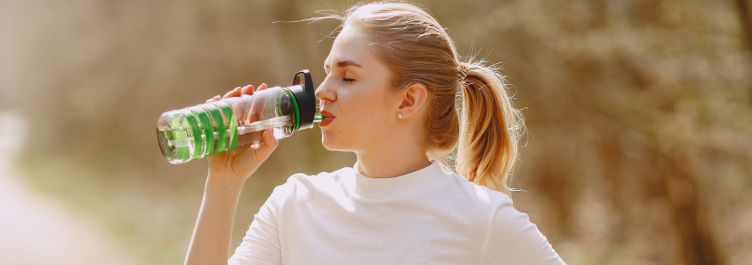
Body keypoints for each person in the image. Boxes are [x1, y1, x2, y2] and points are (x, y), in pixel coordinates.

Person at [184, 2, 565, 264]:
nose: (322, 92)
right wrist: (223, 183)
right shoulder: (294, 205)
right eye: (327, 71)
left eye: (348, 77)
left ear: (409, 101)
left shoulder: (482, 220)